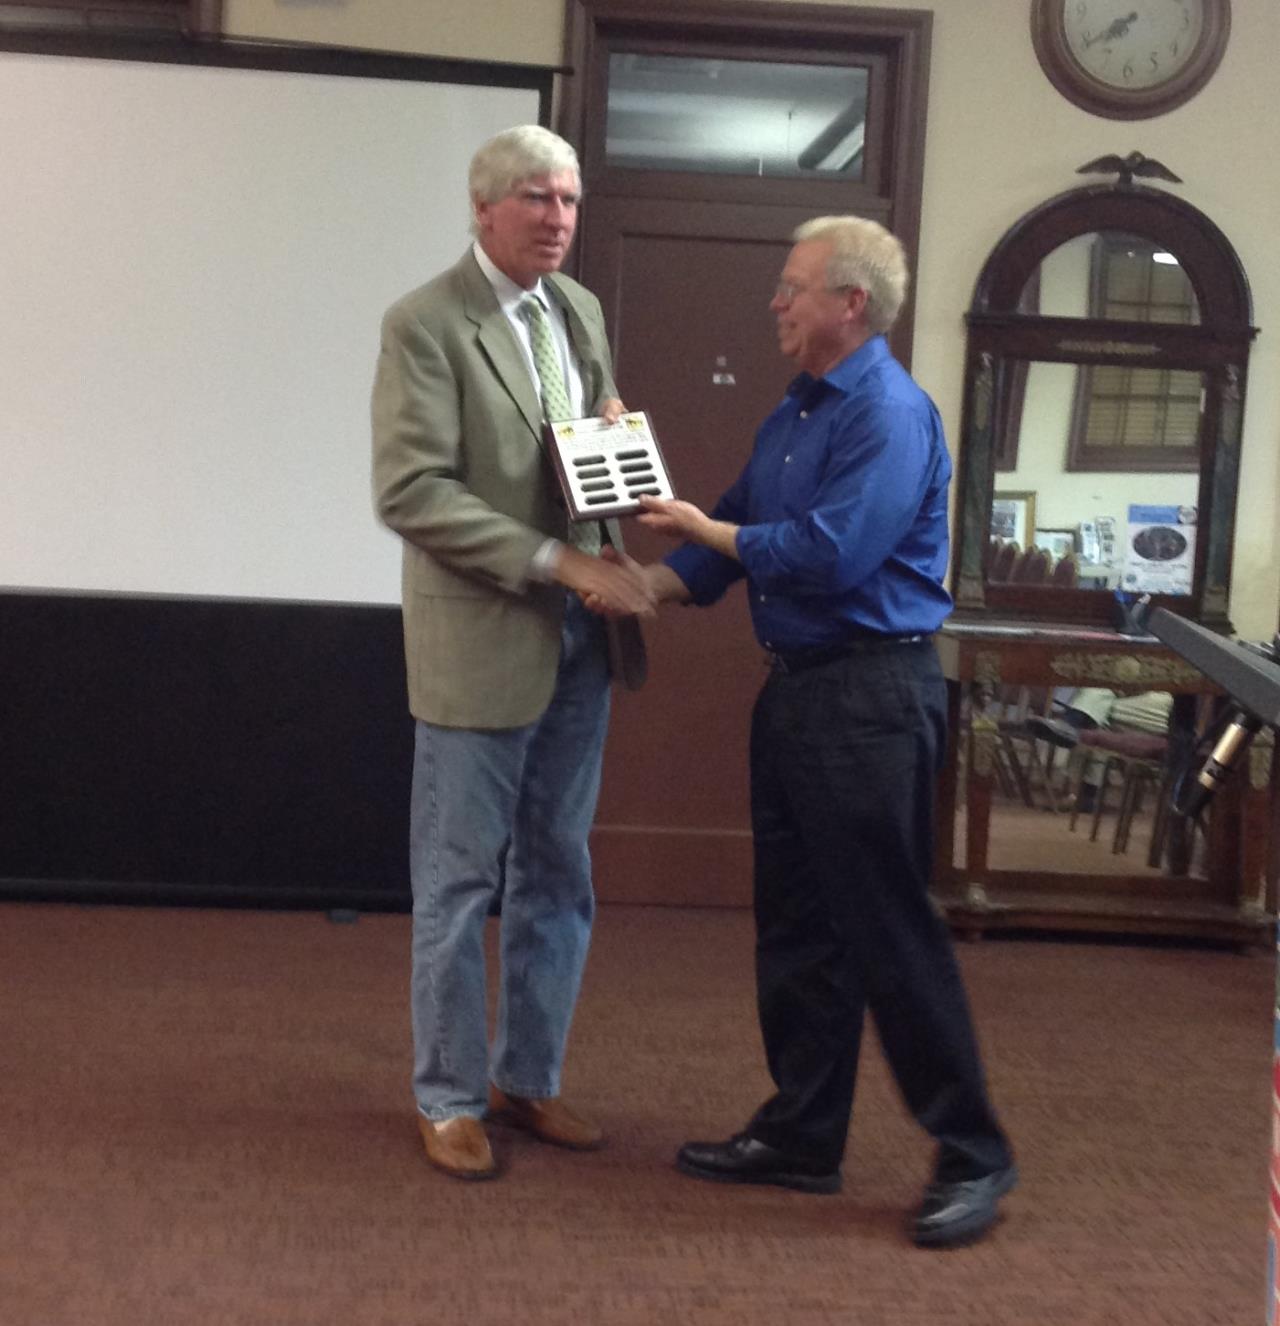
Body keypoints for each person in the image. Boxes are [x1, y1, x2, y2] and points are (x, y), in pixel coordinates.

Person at [628, 216, 1016, 1247]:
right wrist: (649, 590)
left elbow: (829, 554)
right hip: (800, 693)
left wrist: (707, 536)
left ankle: (973, 1154)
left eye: (791, 287)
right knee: (797, 927)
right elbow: (734, 519)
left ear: (849, 303)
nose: (774, 302)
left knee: (888, 934)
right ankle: (803, 1136)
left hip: (869, 698)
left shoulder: (887, 413)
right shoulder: (795, 410)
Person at [371, 125, 654, 1182]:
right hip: (484, 634)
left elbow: (576, 457)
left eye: (570, 200)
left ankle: (526, 1079)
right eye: (536, 198)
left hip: (584, 639)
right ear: (483, 208)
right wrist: (552, 561)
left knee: (557, 873)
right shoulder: (425, 324)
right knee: (455, 884)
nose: (558, 218)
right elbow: (411, 492)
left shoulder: (575, 311)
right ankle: (445, 1096)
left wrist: (615, 449)